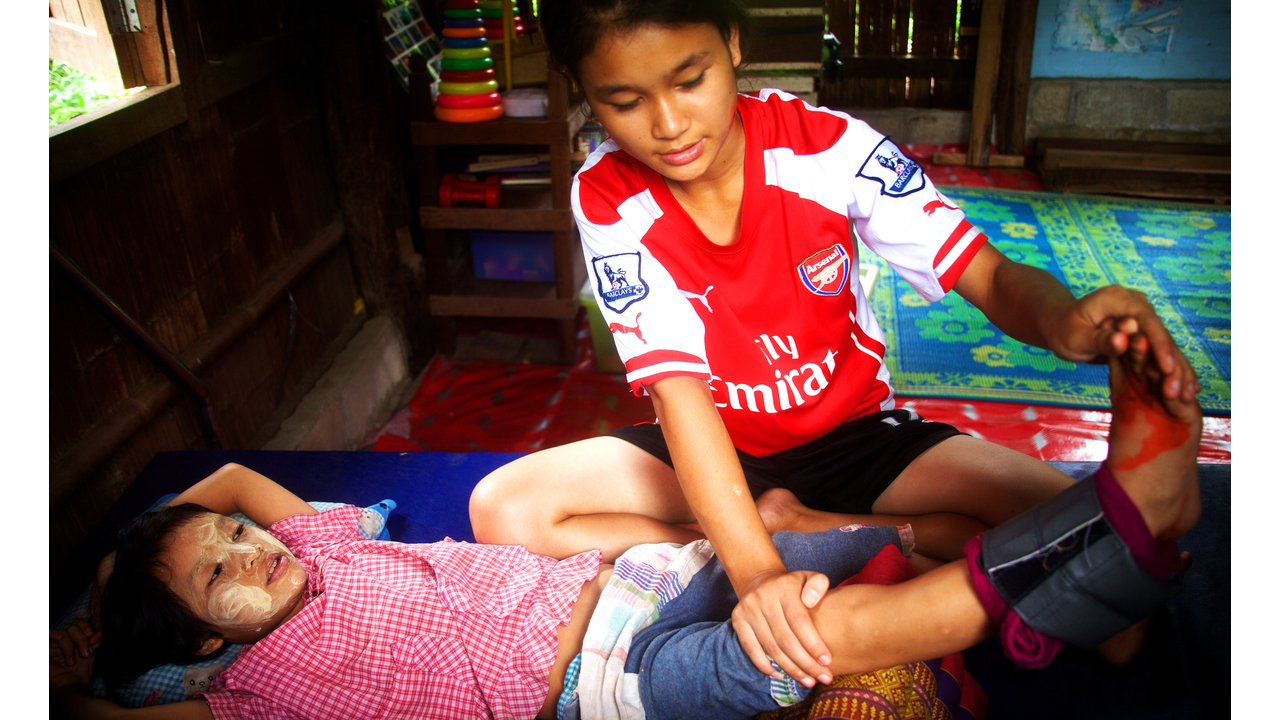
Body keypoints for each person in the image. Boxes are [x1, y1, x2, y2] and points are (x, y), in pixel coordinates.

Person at [466, 0, 1202, 691]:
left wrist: (1066, 325)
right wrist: (756, 573)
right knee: (505, 509)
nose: (667, 123)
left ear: (734, 45)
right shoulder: (606, 195)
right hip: (714, 454)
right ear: (582, 92)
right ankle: (810, 531)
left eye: (691, 79)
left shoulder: (830, 149)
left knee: (1105, 585)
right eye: (623, 101)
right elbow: (679, 392)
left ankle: (805, 526)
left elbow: (989, 273)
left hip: (859, 439)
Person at [49, 342, 1201, 720]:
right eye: (217, 575)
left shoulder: (325, 545)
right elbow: (114, 711)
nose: (249, 551)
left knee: (847, 551)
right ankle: (1094, 537)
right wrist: (99, 637)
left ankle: (1075, 572)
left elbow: (240, 479)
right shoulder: (253, 690)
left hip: (640, 575)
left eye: (228, 538)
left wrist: (130, 559)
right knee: (825, 634)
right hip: (616, 680)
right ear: (202, 647)